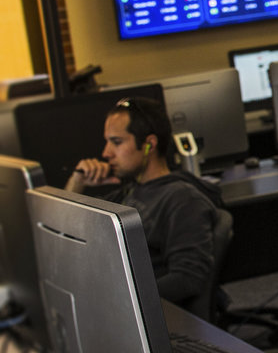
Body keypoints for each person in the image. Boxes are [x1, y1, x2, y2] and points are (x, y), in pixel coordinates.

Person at [66, 97, 222, 310]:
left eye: (117, 142)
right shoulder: (131, 191)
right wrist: (78, 182)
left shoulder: (182, 199)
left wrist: (119, 302)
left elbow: (188, 279)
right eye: (107, 141)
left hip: (149, 318)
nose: (106, 153)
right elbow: (66, 227)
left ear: (149, 145)